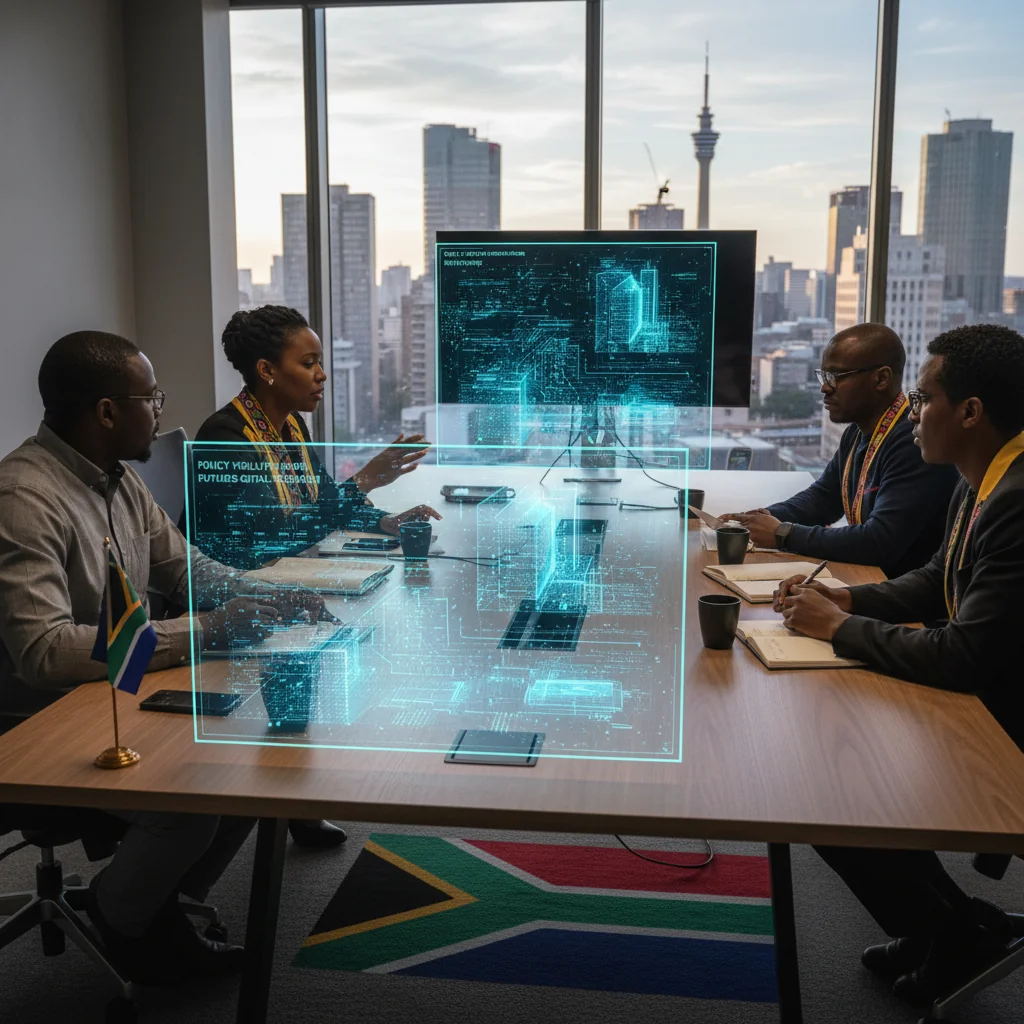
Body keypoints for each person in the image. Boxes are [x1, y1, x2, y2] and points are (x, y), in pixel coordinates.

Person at [0, 331, 328, 986]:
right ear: (106, 411)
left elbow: (191, 570)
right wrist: (203, 629)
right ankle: (125, 920)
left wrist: (270, 596)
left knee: (248, 754)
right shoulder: (24, 499)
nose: (159, 408)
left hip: (113, 694)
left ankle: (147, 901)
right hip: (40, 721)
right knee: (202, 781)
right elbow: (43, 651)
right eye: (151, 398)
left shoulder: (119, 482)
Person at [775, 324, 1024, 1007]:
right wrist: (844, 596)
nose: (913, 413)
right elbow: (935, 577)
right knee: (838, 766)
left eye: (924, 397)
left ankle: (949, 932)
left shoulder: (1017, 500)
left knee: (833, 786)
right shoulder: (985, 480)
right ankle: (952, 929)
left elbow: (967, 652)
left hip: (1004, 729)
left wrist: (843, 627)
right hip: (988, 699)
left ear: (969, 412)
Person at [190, 305, 441, 850]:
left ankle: (293, 800)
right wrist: (367, 479)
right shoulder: (227, 438)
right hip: (232, 587)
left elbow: (322, 503)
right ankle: (285, 800)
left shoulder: (290, 426)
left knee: (347, 619)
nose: (322, 374)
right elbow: (270, 537)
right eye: (309, 363)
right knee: (325, 634)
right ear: (267, 371)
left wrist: (384, 520)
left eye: (321, 362)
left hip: (281, 574)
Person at [722, 323, 960, 579]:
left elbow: (878, 542)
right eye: (823, 376)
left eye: (836, 377)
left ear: (881, 378)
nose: (825, 388)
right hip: (871, 583)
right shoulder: (858, 430)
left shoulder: (912, 443)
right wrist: (760, 519)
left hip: (901, 600)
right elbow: (824, 497)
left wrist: (783, 533)